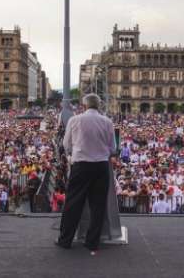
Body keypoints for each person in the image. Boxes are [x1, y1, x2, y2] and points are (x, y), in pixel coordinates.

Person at [56, 94, 116, 252]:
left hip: (81, 165)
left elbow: (66, 144)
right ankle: (92, 242)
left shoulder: (74, 120)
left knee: (73, 203)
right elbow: (113, 148)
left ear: (83, 106)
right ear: (99, 106)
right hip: (101, 166)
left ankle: (65, 240)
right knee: (98, 206)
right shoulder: (107, 122)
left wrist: (72, 154)